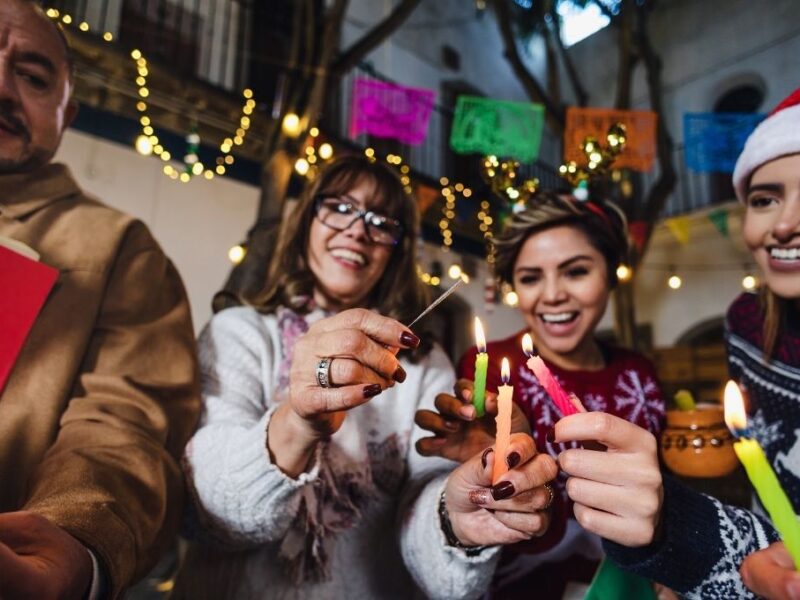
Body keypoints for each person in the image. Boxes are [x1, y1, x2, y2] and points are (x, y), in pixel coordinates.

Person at [176, 155, 558, 599]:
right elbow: (207, 516)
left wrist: (461, 522)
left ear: (395, 251)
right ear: (305, 221)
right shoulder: (239, 332)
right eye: (339, 206)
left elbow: (436, 570)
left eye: (381, 221)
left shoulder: (421, 366)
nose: (358, 229)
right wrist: (298, 422)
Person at [549, 87, 800, 599]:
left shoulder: (636, 373)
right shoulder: (749, 326)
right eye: (764, 198)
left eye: (576, 271)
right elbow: (767, 531)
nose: (785, 224)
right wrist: (668, 532)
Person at [0, 2, 200, 598]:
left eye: (33, 77)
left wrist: (74, 541)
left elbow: (120, 425)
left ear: (68, 113)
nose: (2, 86)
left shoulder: (118, 249)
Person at [416, 192, 665, 597]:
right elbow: (471, 518)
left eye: (576, 272)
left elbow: (661, 489)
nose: (552, 295)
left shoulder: (640, 375)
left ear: (611, 272)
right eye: (531, 277)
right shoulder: (492, 373)